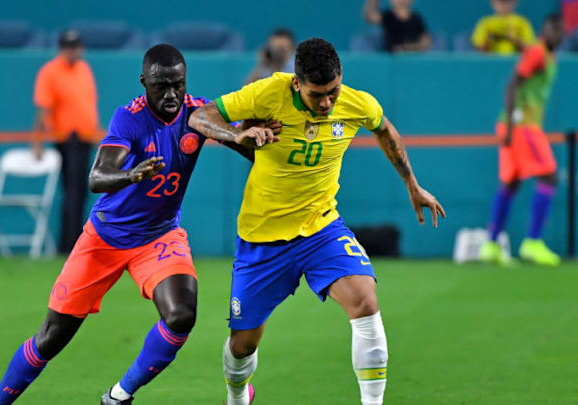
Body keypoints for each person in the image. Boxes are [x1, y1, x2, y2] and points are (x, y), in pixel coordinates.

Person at [0, 44, 271, 405]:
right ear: (144, 83)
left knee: (181, 315)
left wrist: (253, 136)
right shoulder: (129, 117)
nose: (171, 94)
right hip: (105, 238)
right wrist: (130, 174)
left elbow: (244, 145)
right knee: (51, 338)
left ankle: (119, 396)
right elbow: (97, 176)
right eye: (161, 86)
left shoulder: (198, 113)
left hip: (159, 236)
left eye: (178, 85)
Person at [189, 37, 445, 405]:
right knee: (242, 345)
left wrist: (413, 185)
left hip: (321, 229)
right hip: (263, 238)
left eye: (333, 92)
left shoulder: (357, 103)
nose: (327, 103)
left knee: (365, 303)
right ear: (296, 84)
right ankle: (238, 394)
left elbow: (386, 131)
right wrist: (237, 133)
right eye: (317, 95)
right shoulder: (268, 93)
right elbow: (201, 116)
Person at [480, 15, 565, 266]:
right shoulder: (539, 53)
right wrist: (511, 120)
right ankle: (533, 242)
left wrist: (507, 38)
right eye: (551, 29)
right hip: (521, 125)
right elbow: (512, 84)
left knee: (510, 183)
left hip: (513, 125)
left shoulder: (542, 53)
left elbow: (523, 49)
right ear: (543, 31)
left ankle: (492, 244)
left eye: (559, 30)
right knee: (549, 175)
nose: (555, 33)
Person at [33, 29, 100, 254]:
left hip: (86, 139)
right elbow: (43, 109)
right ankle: (68, 244)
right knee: (72, 192)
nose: (73, 51)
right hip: (67, 139)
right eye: (69, 47)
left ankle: (78, 241)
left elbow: (87, 105)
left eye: (76, 46)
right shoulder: (50, 72)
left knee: (81, 192)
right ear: (61, 48)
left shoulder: (84, 69)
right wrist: (38, 141)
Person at [363, 0, 431, 52]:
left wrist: (409, 48)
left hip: (413, 58)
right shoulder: (387, 16)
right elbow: (370, 17)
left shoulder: (417, 18)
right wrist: (372, 2)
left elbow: (426, 41)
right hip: (392, 61)